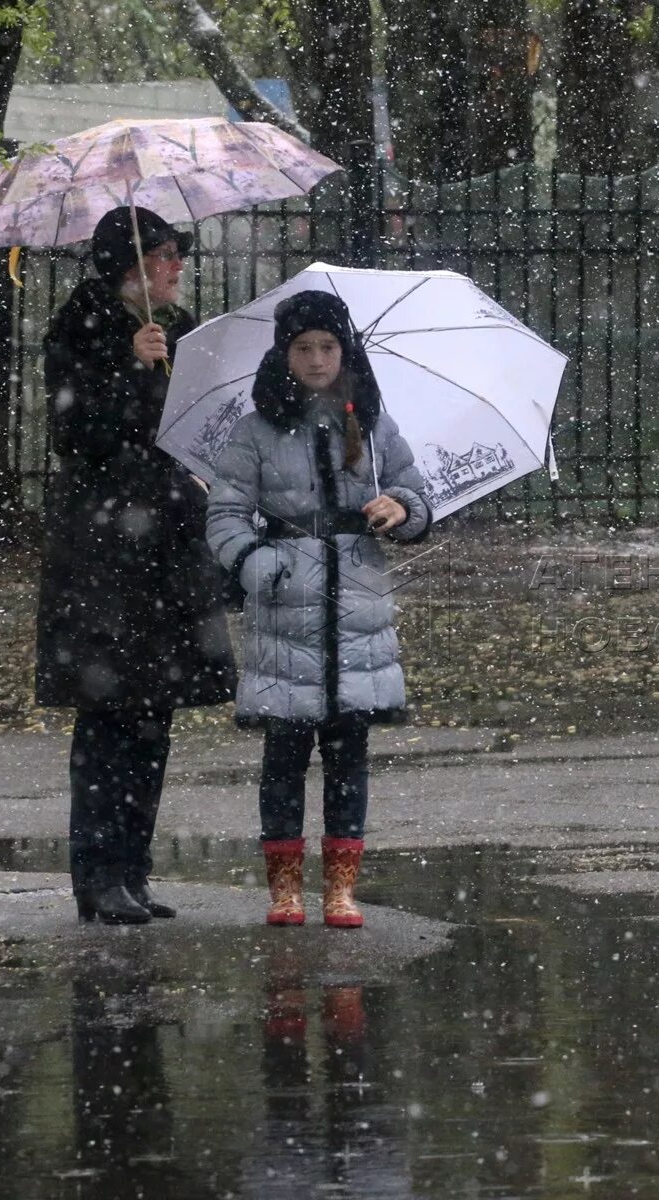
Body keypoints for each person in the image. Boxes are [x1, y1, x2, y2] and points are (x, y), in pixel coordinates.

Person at [35, 206, 237, 925]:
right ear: (130, 265)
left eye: (179, 254)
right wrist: (130, 364)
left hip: (169, 550)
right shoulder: (82, 326)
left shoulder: (179, 331)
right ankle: (98, 876)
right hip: (105, 555)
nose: (179, 265)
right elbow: (74, 432)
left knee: (154, 716)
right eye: (167, 254)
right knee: (109, 718)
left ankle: (135, 871)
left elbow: (192, 426)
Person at [206, 291, 431, 928]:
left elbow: (414, 488)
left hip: (357, 605)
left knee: (348, 754)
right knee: (283, 754)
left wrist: (403, 511)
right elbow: (223, 514)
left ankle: (340, 889)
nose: (316, 359)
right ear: (283, 354)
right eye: (303, 348)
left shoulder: (374, 423)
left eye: (327, 347)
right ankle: (284, 890)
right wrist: (257, 561)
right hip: (285, 608)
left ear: (345, 351)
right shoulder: (255, 432)